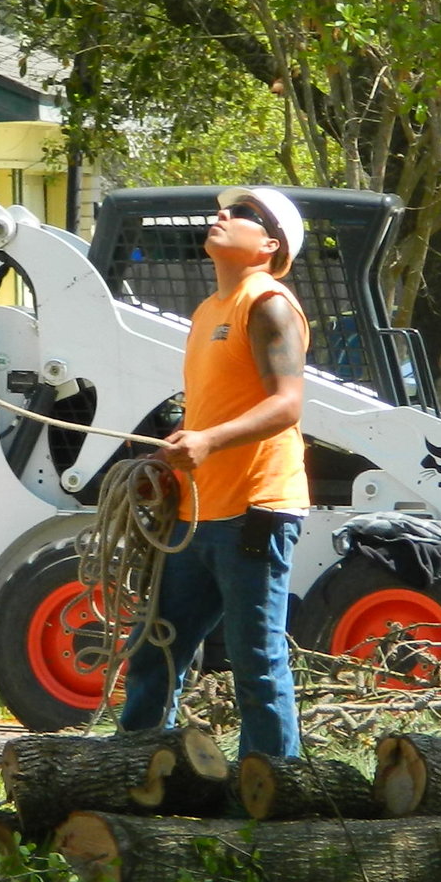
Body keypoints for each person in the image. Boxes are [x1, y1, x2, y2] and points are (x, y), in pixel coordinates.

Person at [118, 185, 310, 760]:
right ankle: (136, 770)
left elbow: (287, 404)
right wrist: (167, 458)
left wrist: (208, 440)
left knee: (255, 658)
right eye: (226, 209)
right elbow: (210, 410)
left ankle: (274, 787)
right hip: (197, 509)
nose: (223, 215)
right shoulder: (207, 312)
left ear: (270, 244)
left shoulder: (269, 304)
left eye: (244, 215)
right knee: (157, 647)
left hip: (255, 511)